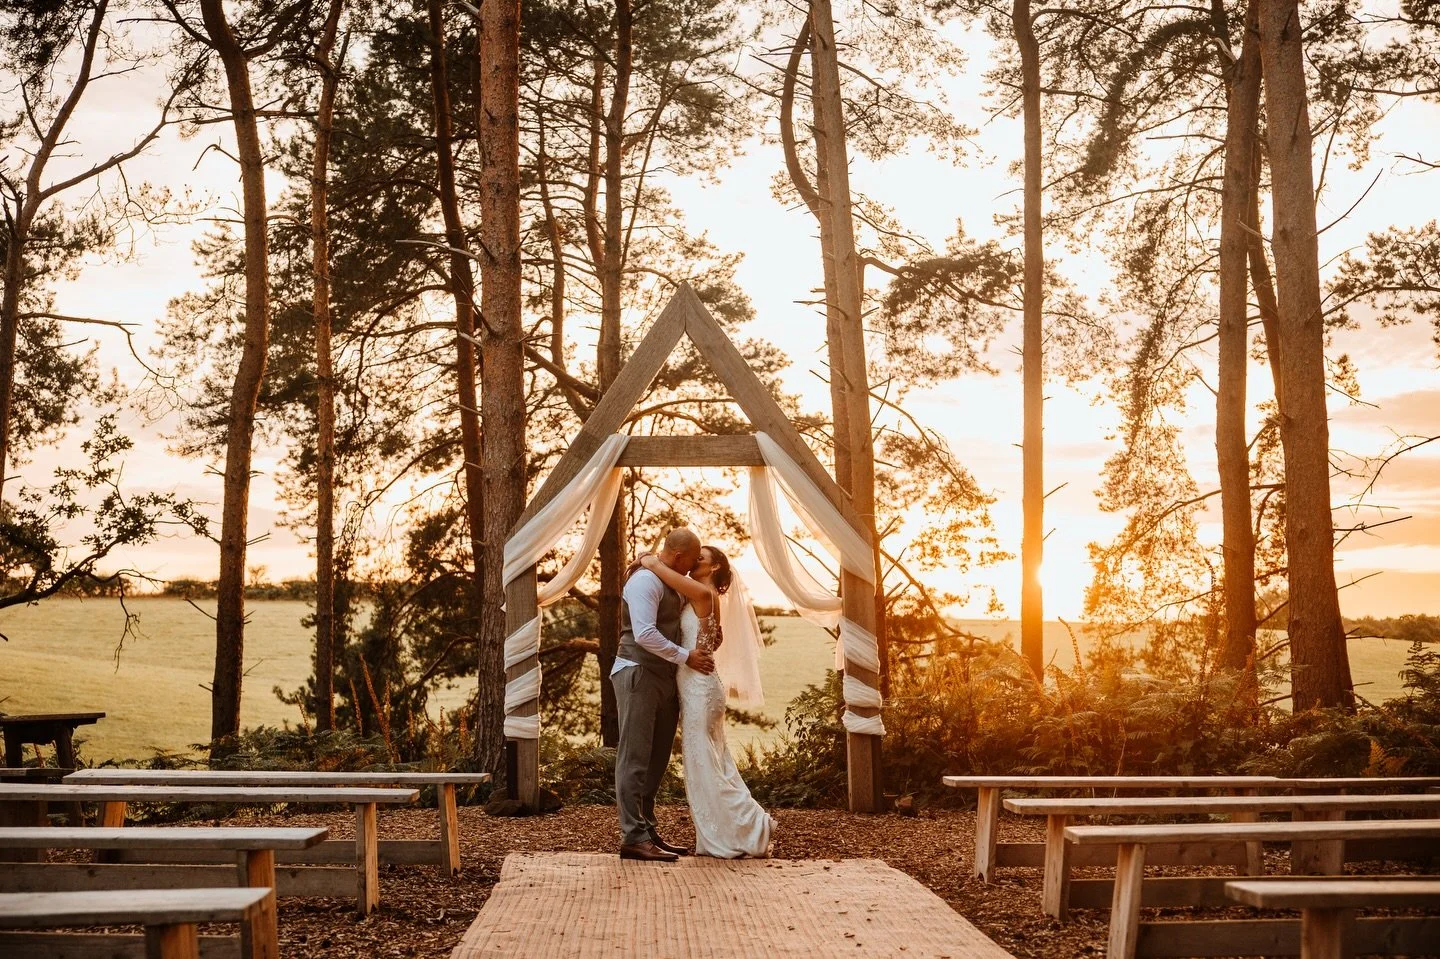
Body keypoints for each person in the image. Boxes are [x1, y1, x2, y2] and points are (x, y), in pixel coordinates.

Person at [640, 544, 774, 858]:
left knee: (704, 765)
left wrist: (647, 559)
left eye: (700, 558)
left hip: (700, 688)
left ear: (713, 568)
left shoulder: (702, 592)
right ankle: (728, 831)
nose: (694, 560)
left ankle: (751, 824)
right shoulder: (706, 596)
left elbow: (660, 569)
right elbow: (710, 638)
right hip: (697, 686)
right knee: (712, 762)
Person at [612, 528, 713, 862]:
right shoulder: (645, 581)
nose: (693, 566)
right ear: (679, 556)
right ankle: (633, 837)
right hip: (638, 672)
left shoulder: (671, 580)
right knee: (634, 757)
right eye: (692, 560)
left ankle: (648, 830)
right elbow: (644, 634)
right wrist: (686, 657)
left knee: (656, 760)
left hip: (665, 677)